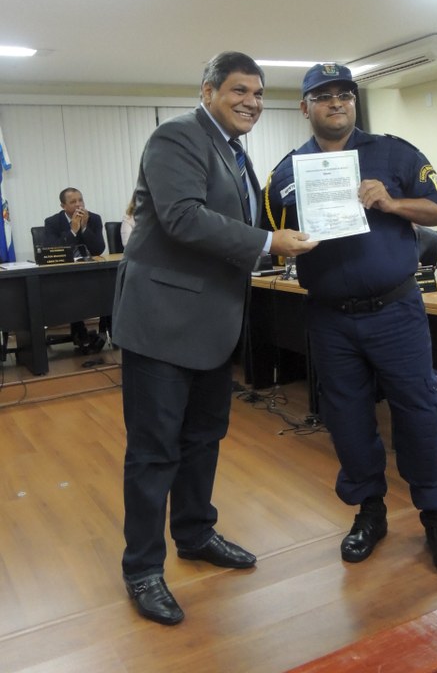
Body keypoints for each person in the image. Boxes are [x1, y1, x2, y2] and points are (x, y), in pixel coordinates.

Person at [112, 51, 317, 626]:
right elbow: (182, 216)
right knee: (154, 451)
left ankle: (196, 533)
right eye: (239, 90)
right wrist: (269, 243)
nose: (252, 101)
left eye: (259, 93)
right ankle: (142, 569)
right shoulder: (177, 136)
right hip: (161, 322)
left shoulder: (234, 151)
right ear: (208, 92)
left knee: (203, 438)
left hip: (212, 323)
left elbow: (238, 223)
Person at [264, 63, 437, 578]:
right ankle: (369, 513)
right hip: (330, 318)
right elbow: (267, 234)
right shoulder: (286, 172)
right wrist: (285, 242)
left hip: (396, 311)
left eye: (344, 94)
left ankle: (436, 517)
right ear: (304, 107)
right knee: (348, 420)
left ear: (354, 101)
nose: (336, 103)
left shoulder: (395, 152)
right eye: (323, 96)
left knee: (419, 413)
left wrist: (391, 203)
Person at [44, 187, 108, 353]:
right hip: (64, 275)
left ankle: (103, 333)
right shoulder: (52, 222)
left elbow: (98, 249)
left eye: (81, 200)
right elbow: (52, 251)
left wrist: (85, 227)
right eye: (73, 202)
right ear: (63, 206)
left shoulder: (93, 218)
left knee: (109, 285)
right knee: (73, 289)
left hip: (90, 272)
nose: (79, 205)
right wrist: (73, 230)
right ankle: (80, 333)